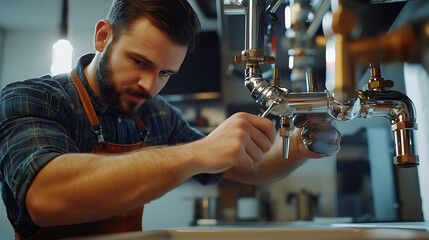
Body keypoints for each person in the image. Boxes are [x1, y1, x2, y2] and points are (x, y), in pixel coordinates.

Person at [0, 0, 340, 239]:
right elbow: (46, 198)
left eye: (165, 73)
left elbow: (243, 167)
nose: (150, 85)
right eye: (139, 62)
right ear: (103, 36)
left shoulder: (156, 114)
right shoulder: (32, 98)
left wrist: (300, 146)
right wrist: (196, 153)